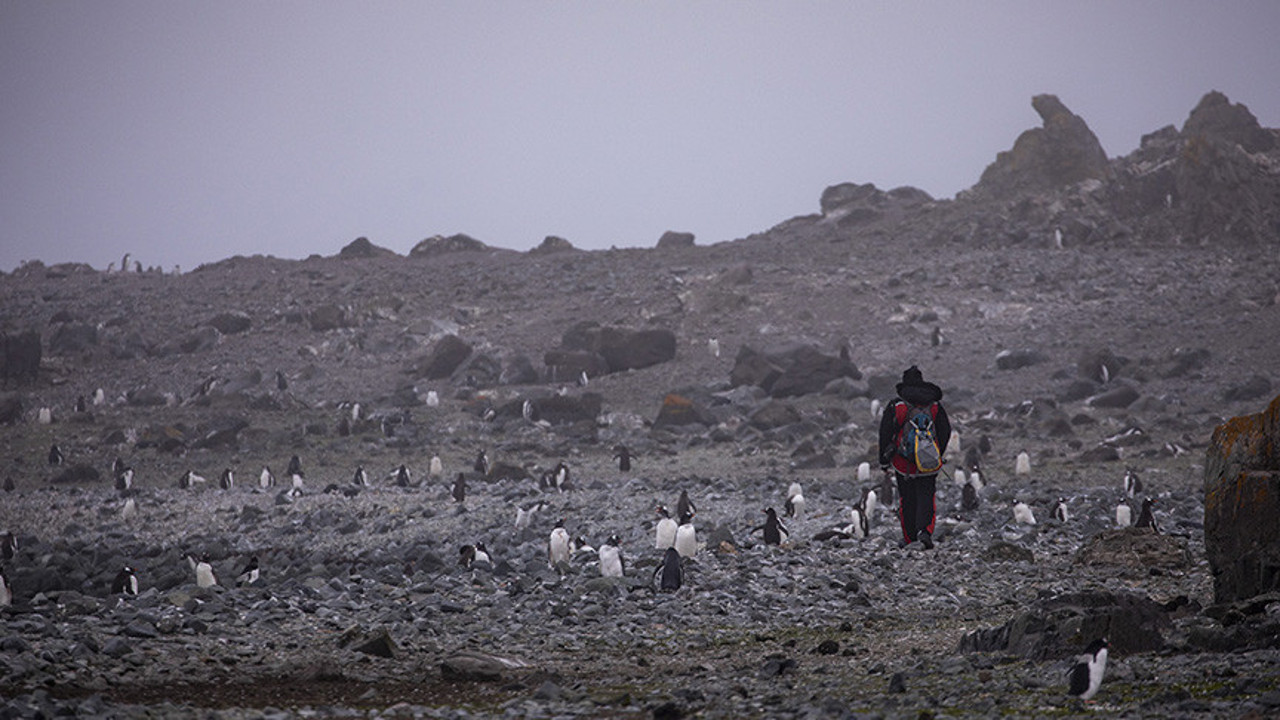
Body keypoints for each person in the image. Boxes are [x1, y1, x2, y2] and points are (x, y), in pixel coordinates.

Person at [878, 365, 951, 549]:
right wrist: (936, 453)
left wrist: (884, 459)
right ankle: (925, 532)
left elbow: (885, 433)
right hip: (929, 463)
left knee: (907, 498)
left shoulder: (898, 406)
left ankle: (910, 538)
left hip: (904, 462)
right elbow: (945, 431)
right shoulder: (934, 406)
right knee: (926, 495)